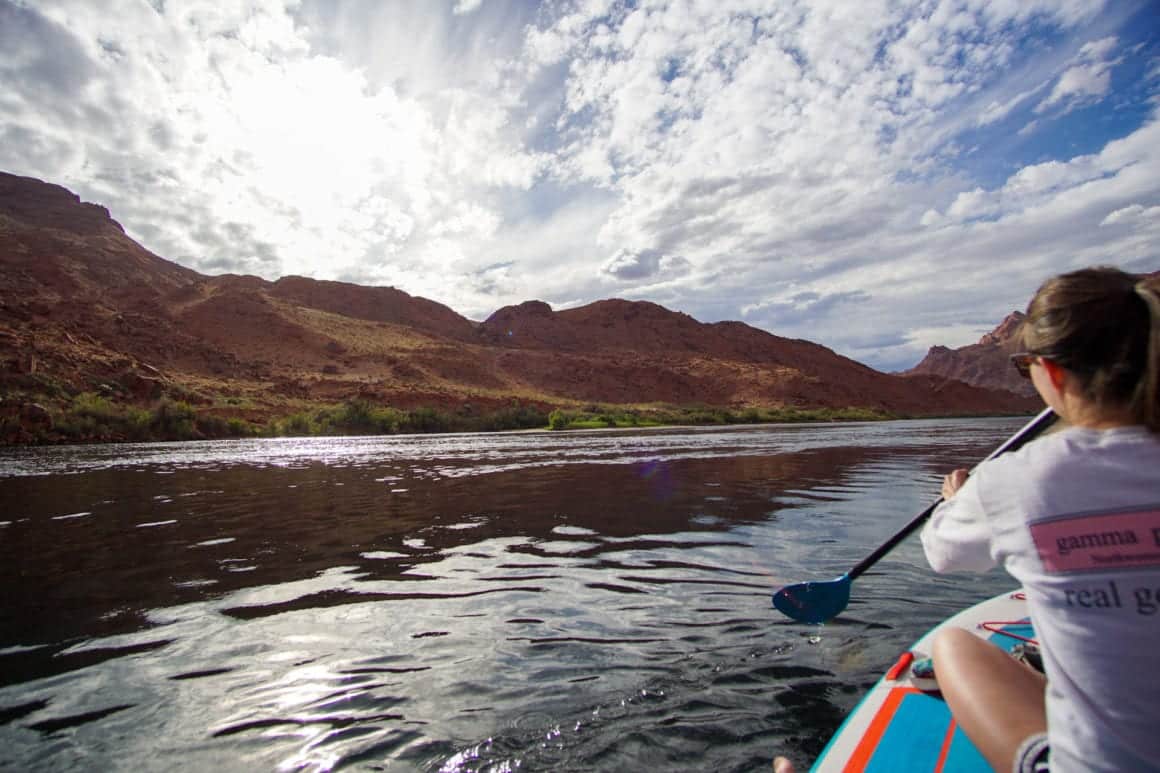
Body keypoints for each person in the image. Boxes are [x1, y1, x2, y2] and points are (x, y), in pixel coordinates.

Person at [919, 266, 1160, 772]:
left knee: (951, 647)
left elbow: (942, 554)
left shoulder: (1014, 479)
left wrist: (957, 500)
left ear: (1051, 372)